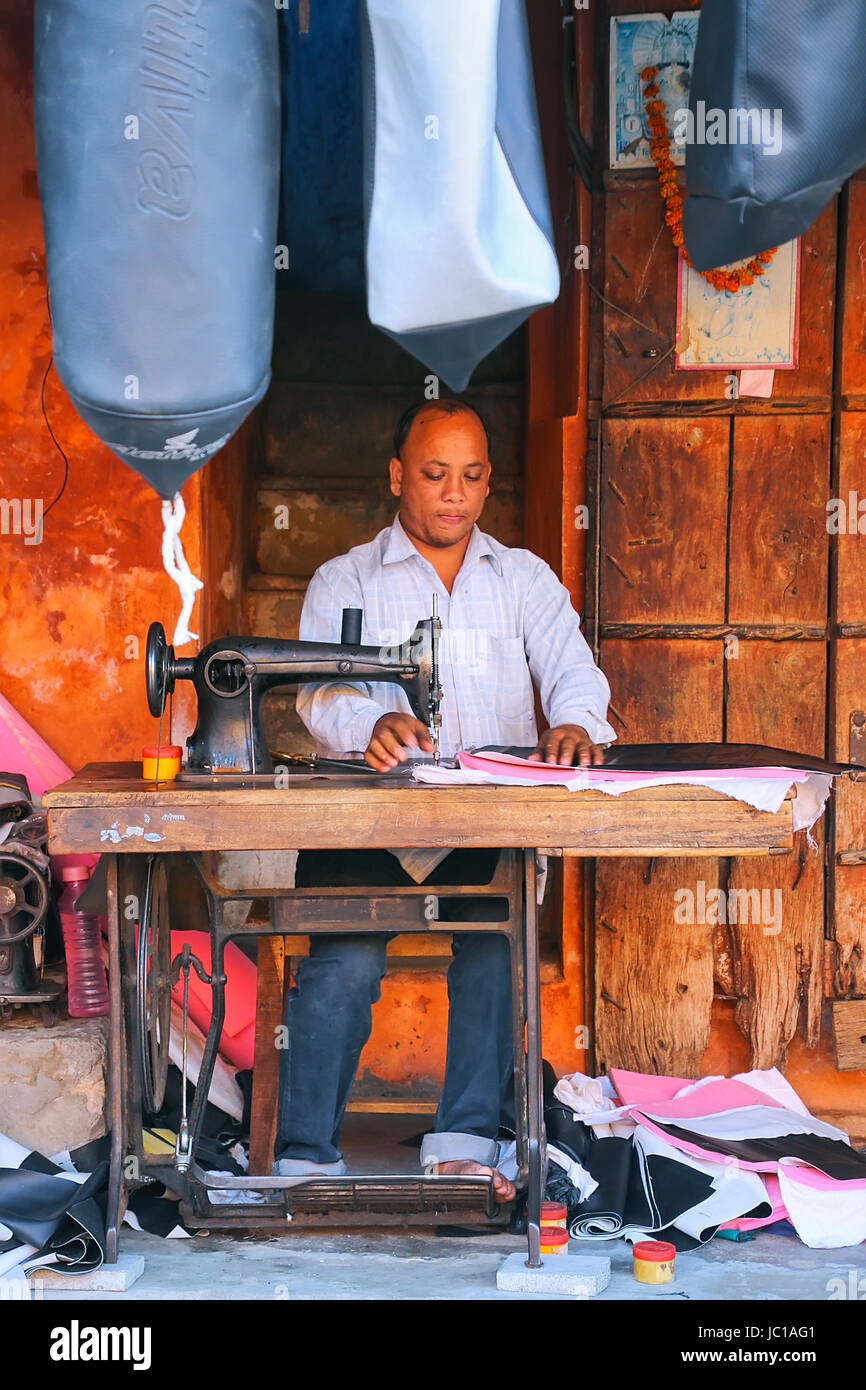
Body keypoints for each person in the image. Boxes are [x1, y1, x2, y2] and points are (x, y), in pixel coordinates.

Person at [273, 398, 616, 1201]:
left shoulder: (523, 579)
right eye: (433, 475)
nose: (453, 494)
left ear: (487, 482)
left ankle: (463, 1141)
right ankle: (304, 1154)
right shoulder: (344, 581)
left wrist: (573, 719)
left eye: (469, 476)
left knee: (496, 951)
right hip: (369, 817)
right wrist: (371, 721)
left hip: (483, 815)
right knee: (343, 966)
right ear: (398, 476)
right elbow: (316, 696)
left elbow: (573, 666)